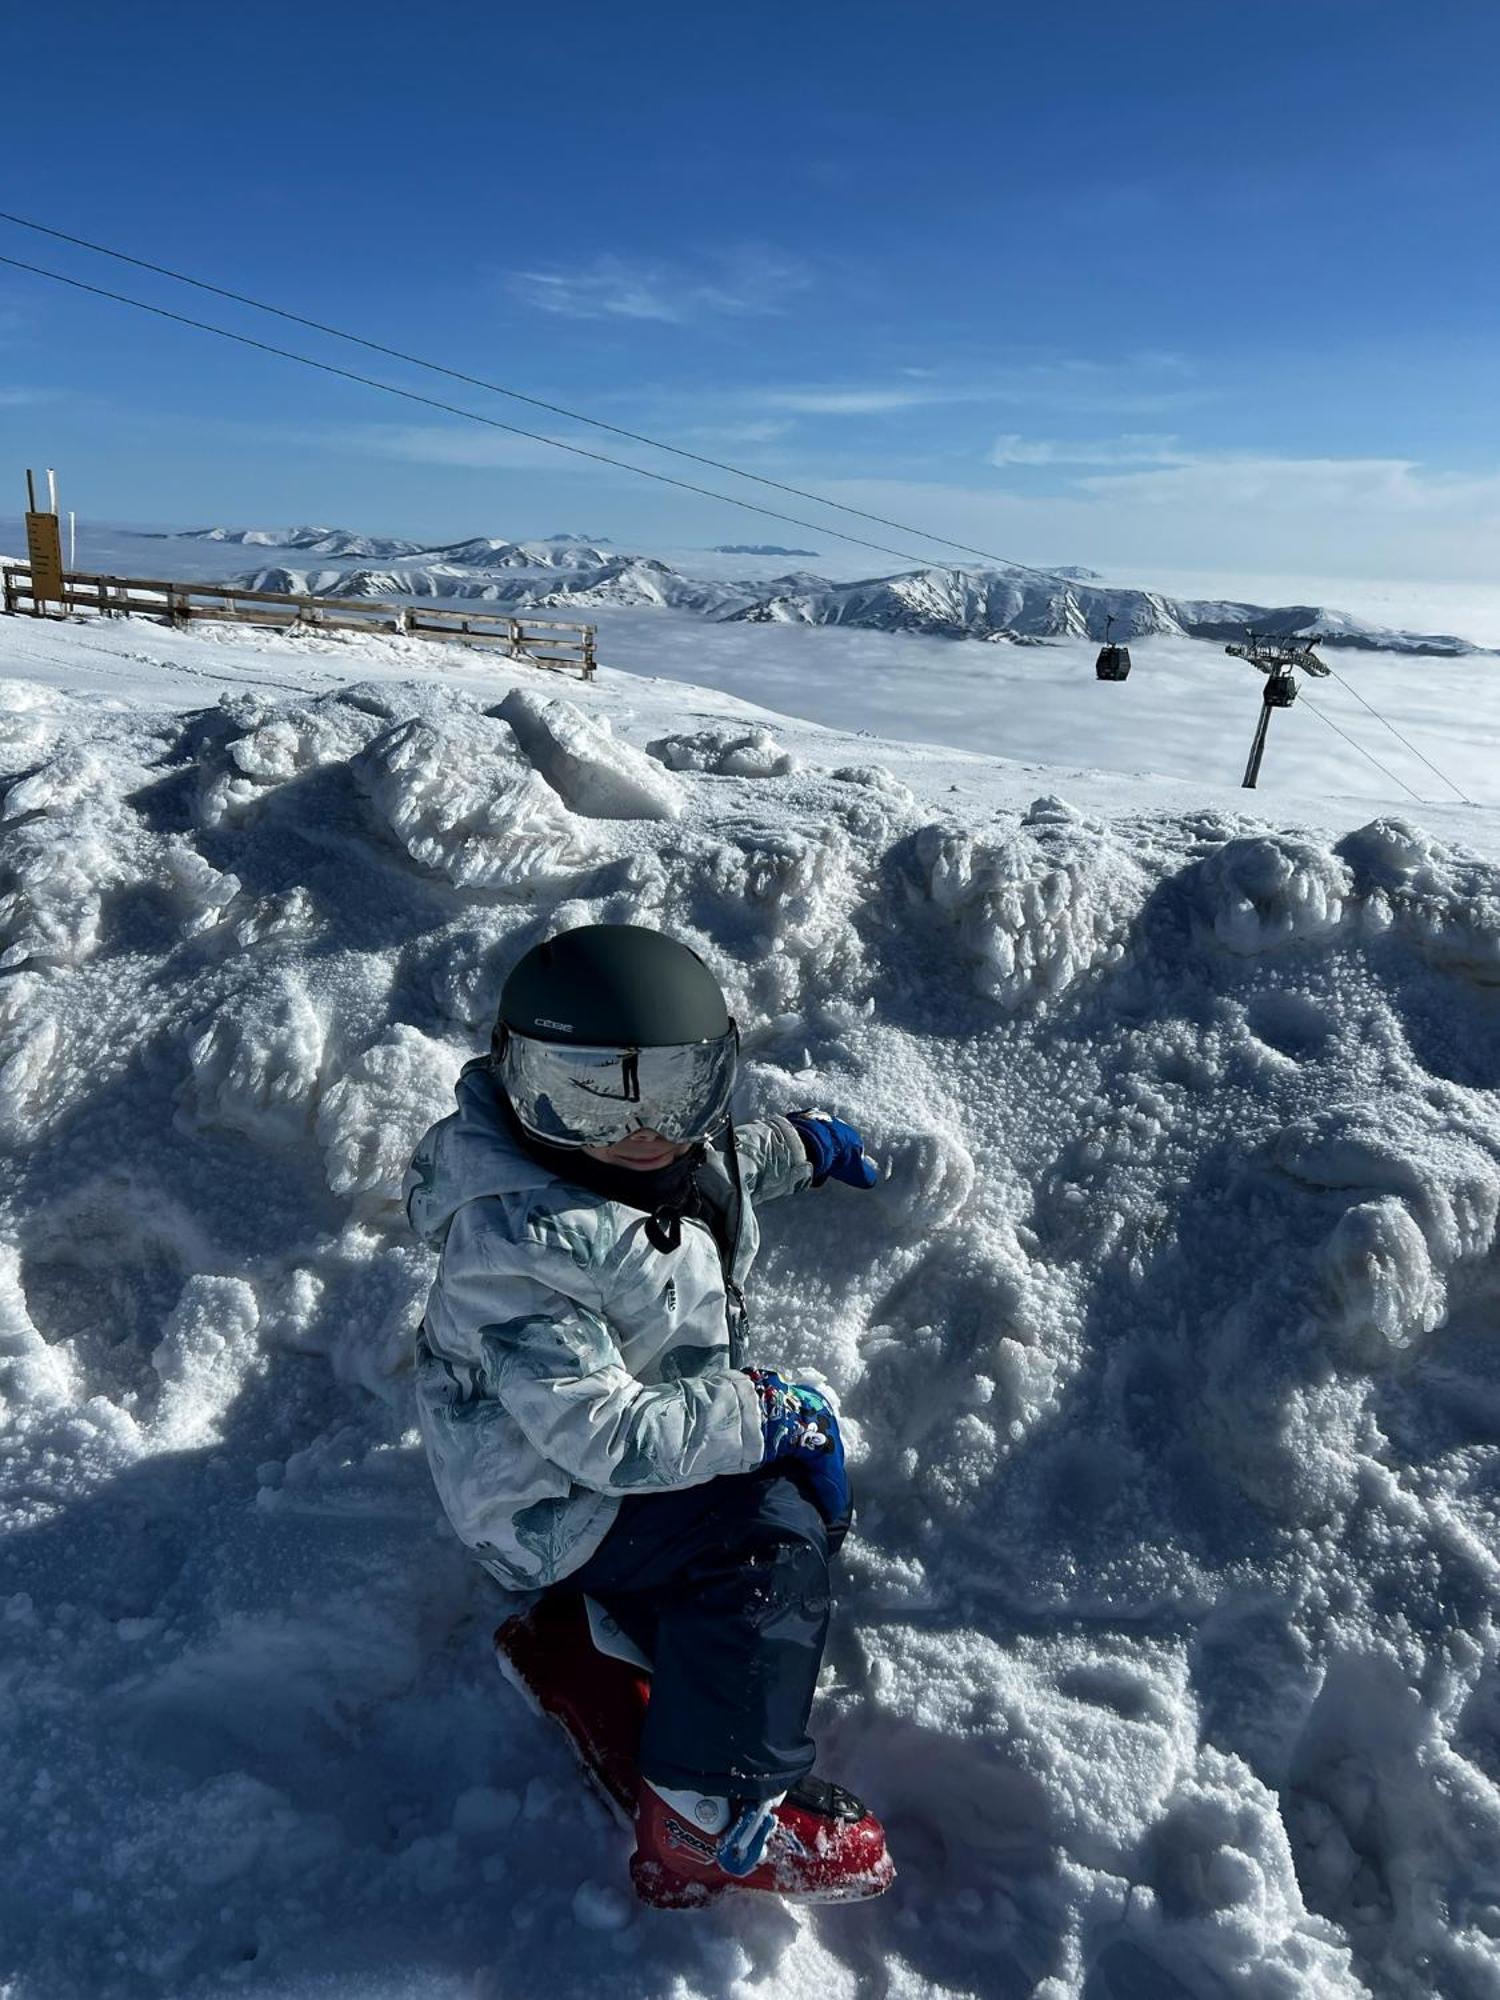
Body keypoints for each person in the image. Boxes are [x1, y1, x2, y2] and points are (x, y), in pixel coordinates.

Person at [403, 923, 893, 1905]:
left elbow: (702, 1167)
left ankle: (608, 1634)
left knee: (751, 1488)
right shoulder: (520, 1244)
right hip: (548, 1499)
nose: (640, 1130)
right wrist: (773, 1413)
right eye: (584, 1091)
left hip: (591, 1460)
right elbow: (608, 1435)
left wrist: (794, 1146)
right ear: (518, 1078)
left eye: (676, 1088)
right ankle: (708, 1812)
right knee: (765, 1537)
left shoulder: (636, 1157)